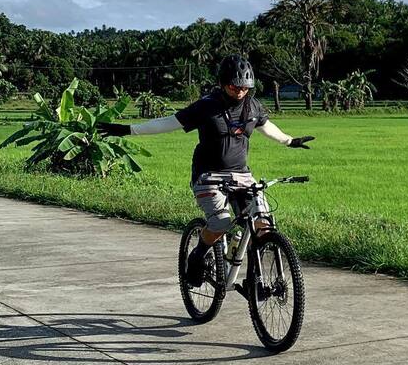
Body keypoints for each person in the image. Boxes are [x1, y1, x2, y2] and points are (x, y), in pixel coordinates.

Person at [101, 54, 314, 285]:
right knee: (221, 222)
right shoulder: (206, 106)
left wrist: (289, 141)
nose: (240, 92)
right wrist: (127, 130)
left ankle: (254, 277)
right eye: (235, 86)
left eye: (245, 87)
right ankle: (198, 254)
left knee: (262, 224)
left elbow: (267, 127)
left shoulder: (253, 106)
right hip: (208, 176)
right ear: (223, 83)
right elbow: (168, 123)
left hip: (242, 175)